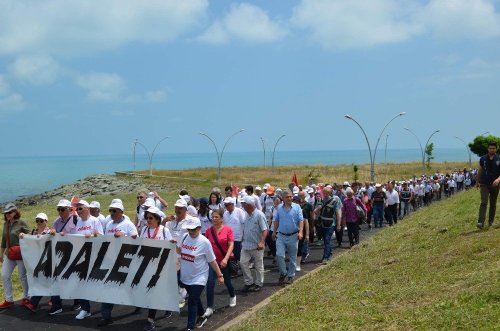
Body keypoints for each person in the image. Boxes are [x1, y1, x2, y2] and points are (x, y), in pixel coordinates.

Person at [177, 218, 224, 330]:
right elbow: (181, 252)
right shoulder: (184, 237)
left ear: (199, 228)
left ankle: (190, 326)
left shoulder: (204, 242)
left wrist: (220, 275)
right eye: (189, 229)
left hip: (199, 277)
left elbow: (212, 260)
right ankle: (202, 315)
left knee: (192, 300)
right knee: (195, 298)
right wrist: (174, 246)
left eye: (193, 229)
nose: (191, 231)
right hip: (186, 276)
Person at [99, 199, 138, 326]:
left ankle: (139, 303)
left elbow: (136, 240)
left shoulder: (128, 224)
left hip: (125, 261)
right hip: (110, 261)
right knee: (108, 288)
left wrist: (124, 237)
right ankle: (106, 316)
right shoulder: (109, 224)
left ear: (121, 212)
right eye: (110, 210)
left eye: (114, 211)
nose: (111, 213)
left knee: (131, 287)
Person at [70, 200, 104, 320]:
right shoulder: (78, 222)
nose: (78, 211)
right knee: (80, 283)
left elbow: (102, 237)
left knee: (98, 284)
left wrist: (94, 234)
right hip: (81, 258)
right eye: (77, 209)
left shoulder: (95, 221)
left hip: (94, 257)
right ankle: (85, 309)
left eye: (80, 209)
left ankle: (105, 309)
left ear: (87, 209)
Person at [140, 206, 172, 331]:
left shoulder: (164, 230)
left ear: (157, 219)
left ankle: (150, 319)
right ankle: (166, 306)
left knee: (153, 292)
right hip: (147, 266)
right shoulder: (143, 230)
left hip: (161, 267)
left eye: (151, 218)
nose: (148, 220)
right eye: (147, 218)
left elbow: (170, 247)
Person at [47, 199, 79, 314]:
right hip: (60, 254)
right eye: (58, 209)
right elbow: (53, 231)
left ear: (69, 209)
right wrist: (52, 231)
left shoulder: (76, 220)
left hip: (73, 254)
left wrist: (66, 235)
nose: (60, 211)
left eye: (62, 209)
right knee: (56, 279)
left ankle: (78, 302)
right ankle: (57, 304)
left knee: (73, 279)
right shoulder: (57, 221)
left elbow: (79, 236)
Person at [203, 209, 236, 318]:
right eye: (213, 217)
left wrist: (226, 259)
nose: (214, 219)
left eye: (216, 217)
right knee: (210, 283)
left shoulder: (228, 230)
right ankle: (210, 307)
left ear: (222, 218)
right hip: (212, 262)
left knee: (227, 281)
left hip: (223, 261)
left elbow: (231, 245)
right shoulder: (208, 231)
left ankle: (232, 295)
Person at [0, 203, 30, 309]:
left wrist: (24, 235)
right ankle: (9, 299)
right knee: (4, 275)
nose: (7, 214)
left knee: (23, 276)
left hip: (21, 253)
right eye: (6, 213)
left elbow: (30, 235)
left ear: (15, 212)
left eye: (9, 212)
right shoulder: (5, 224)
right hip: (9, 254)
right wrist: (1, 253)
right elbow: (4, 240)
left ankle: (27, 297)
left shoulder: (21, 222)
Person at [273, 190, 304, 284]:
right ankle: (283, 272)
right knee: (279, 255)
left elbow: (301, 220)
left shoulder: (297, 207)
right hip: (281, 235)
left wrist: (301, 232)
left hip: (293, 236)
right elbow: (276, 220)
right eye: (287, 197)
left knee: (292, 258)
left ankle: (291, 276)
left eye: (291, 196)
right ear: (283, 198)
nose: (290, 198)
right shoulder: (279, 207)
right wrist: (274, 231)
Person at [240, 196, 268, 292]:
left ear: (248, 205)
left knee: (258, 265)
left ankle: (259, 283)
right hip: (246, 244)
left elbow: (265, 230)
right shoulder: (246, 214)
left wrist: (262, 242)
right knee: (243, 262)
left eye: (243, 204)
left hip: (257, 246)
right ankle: (249, 282)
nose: (242, 206)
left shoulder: (259, 215)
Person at [314, 187, 342, 264]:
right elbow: (315, 212)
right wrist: (318, 208)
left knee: (327, 240)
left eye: (327, 193)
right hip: (322, 223)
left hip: (331, 224)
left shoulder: (334, 201)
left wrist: (338, 225)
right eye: (324, 193)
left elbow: (338, 214)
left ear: (330, 193)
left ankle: (325, 258)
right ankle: (329, 254)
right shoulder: (320, 200)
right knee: (327, 241)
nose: (325, 195)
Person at [477, 141, 500, 228]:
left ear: (496, 149)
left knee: (493, 203)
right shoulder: (482, 159)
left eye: (493, 148)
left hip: (495, 185)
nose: (491, 150)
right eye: (490, 148)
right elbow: (480, 170)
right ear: (488, 149)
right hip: (484, 184)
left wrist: (498, 179)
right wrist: (477, 181)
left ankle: (491, 221)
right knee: (484, 202)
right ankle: (480, 222)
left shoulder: (499, 158)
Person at [222, 197, 246, 266]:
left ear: (232, 204)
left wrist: (244, 235)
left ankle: (243, 267)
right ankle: (234, 267)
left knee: (238, 254)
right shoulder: (225, 213)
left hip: (237, 238)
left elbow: (244, 223)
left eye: (227, 205)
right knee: (231, 255)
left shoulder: (239, 211)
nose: (226, 207)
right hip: (228, 238)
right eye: (225, 205)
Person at [297, 191, 312, 268]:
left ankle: (304, 255)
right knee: (299, 244)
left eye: (301, 196)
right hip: (298, 227)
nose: (300, 197)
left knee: (304, 242)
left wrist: (310, 228)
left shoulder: (308, 205)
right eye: (299, 196)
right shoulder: (296, 205)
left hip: (306, 224)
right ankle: (300, 255)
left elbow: (311, 216)